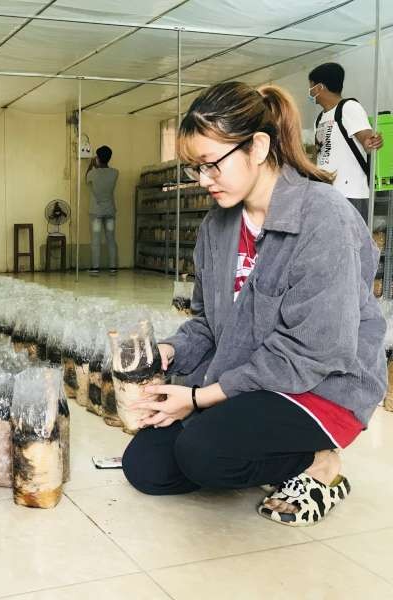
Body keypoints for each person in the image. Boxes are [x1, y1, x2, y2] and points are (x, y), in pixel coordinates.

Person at [122, 82, 386, 527]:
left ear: (258, 147)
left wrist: (199, 398)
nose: (203, 180)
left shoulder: (323, 216)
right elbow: (207, 322)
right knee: (146, 466)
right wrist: (168, 351)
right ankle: (255, 450)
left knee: (203, 451)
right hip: (249, 380)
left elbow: (314, 350)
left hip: (321, 387)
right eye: (196, 168)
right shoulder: (217, 226)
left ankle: (319, 461)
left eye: (211, 164)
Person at [308, 62, 384, 219]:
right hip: (327, 194)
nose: (310, 92)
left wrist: (370, 142)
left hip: (351, 194)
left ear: (320, 87)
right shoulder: (319, 119)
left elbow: (366, 138)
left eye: (311, 86)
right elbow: (321, 155)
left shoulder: (349, 107)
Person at [86, 145, 119, 275]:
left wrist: (91, 164)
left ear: (98, 158)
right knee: (111, 239)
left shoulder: (92, 173)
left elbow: (86, 179)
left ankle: (95, 268)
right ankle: (113, 268)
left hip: (96, 212)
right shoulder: (115, 173)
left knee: (96, 240)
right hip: (110, 211)